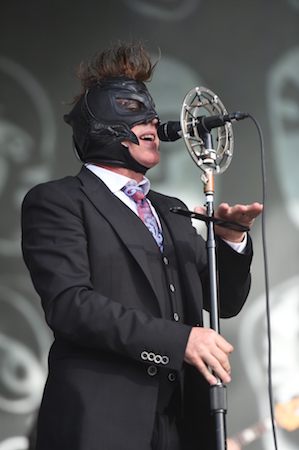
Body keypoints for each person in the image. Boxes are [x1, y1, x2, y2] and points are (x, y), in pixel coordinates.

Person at [21, 41, 263, 450]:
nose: (153, 119)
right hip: (102, 422)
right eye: (134, 111)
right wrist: (178, 341)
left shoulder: (171, 209)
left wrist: (231, 240)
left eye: (151, 111)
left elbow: (224, 300)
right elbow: (70, 305)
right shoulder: (59, 200)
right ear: (100, 126)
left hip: (185, 426)